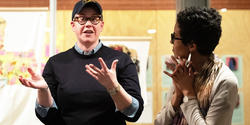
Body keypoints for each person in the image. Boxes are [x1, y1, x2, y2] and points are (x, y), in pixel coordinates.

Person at [18, 0, 144, 125]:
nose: (88, 24)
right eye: (81, 19)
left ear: (101, 25)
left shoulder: (120, 61)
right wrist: (44, 90)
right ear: (73, 25)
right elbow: (47, 116)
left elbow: (133, 112)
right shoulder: (56, 63)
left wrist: (114, 88)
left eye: (95, 19)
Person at [154, 7, 239, 125]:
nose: (171, 41)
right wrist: (177, 96)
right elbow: (159, 123)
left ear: (192, 45)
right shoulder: (185, 71)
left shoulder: (225, 81)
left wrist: (188, 93)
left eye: (174, 37)